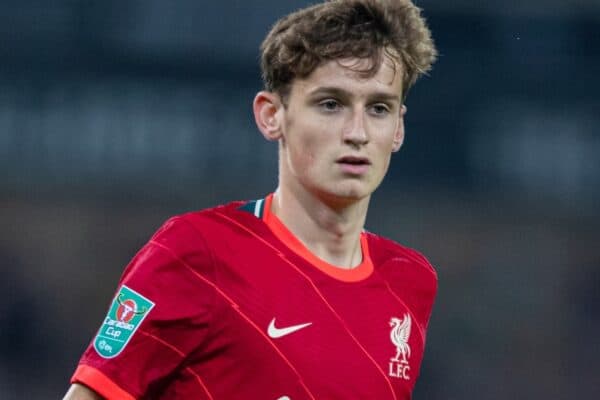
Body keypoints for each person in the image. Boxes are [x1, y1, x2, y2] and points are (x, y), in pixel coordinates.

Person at [63, 0, 438, 398]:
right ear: (271, 115)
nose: (357, 132)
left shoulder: (409, 281)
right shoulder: (198, 252)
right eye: (331, 104)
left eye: (379, 108)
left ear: (398, 128)